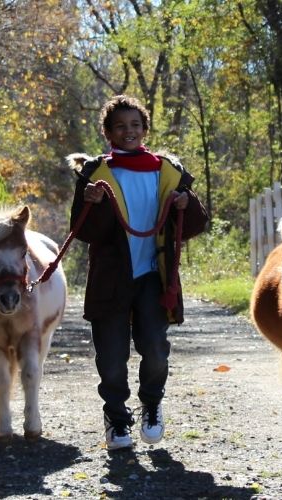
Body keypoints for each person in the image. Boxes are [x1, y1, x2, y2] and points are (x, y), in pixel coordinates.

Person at [70, 95, 210, 450]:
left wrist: (185, 203)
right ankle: (117, 419)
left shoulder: (167, 171)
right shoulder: (95, 174)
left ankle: (151, 404)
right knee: (113, 358)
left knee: (155, 349)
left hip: (153, 275)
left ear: (145, 129)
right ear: (108, 133)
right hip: (112, 279)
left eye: (135, 125)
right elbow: (84, 231)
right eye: (120, 126)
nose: (128, 131)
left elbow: (196, 222)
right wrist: (92, 204)